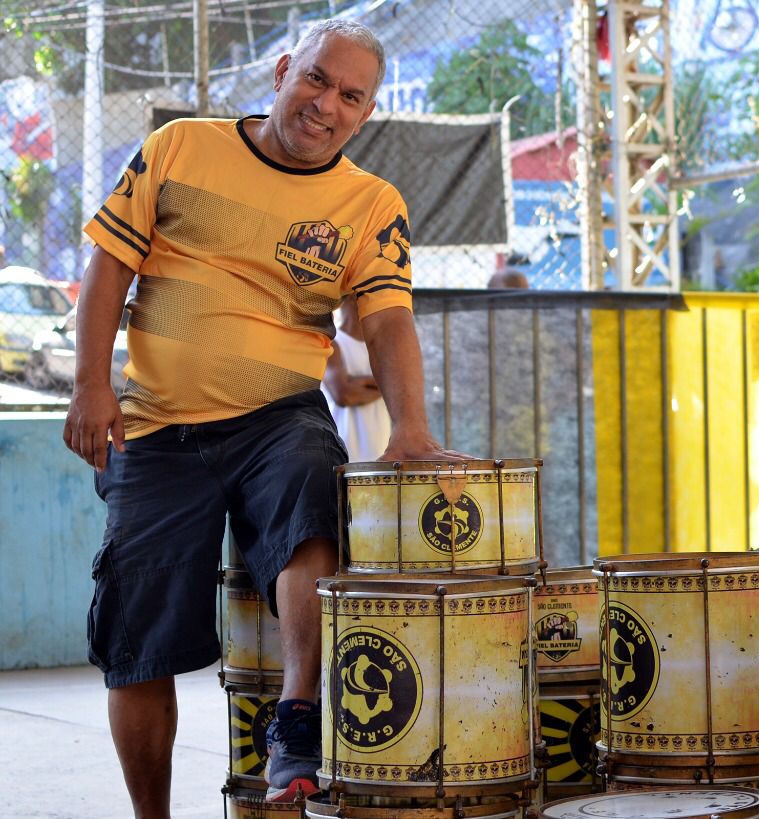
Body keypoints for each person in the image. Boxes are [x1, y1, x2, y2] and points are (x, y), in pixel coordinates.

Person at [64, 19, 461, 815]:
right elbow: (109, 265)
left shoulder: (371, 203)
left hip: (276, 416)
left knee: (314, 492)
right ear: (283, 70)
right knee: (134, 643)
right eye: (317, 79)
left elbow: (384, 321)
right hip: (152, 426)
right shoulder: (180, 146)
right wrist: (89, 386)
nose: (327, 104)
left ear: (366, 112)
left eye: (351, 96)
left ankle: (297, 720)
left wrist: (411, 430)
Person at [322, 296, 390, 461]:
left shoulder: (383, 347)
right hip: (341, 452)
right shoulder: (331, 344)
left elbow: (401, 389)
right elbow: (344, 395)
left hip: (381, 450)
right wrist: (385, 385)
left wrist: (356, 382)